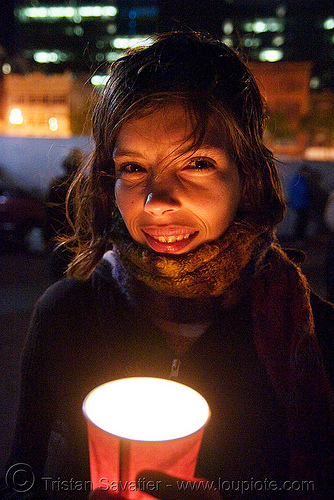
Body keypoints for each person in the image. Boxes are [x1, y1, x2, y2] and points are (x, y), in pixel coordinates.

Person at [3, 32, 334, 500]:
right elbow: (22, 478)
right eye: (134, 168)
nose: (158, 203)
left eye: (197, 163)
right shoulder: (66, 314)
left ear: (249, 175)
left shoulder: (314, 335)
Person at [45, 148, 84, 281]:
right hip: (82, 240)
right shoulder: (86, 184)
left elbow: (49, 213)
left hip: (60, 238)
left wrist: (47, 237)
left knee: (58, 281)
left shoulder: (57, 184)